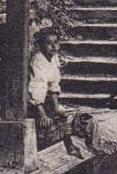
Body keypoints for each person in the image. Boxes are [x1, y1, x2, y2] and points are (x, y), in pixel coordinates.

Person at [28, 27, 83, 158]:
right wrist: (42, 115)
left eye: (56, 42)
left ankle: (68, 144)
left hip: (45, 99)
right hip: (33, 102)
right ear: (41, 45)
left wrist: (56, 106)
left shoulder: (53, 58)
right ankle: (46, 147)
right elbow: (36, 88)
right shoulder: (38, 61)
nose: (53, 46)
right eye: (48, 43)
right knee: (47, 123)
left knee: (64, 117)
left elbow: (53, 85)